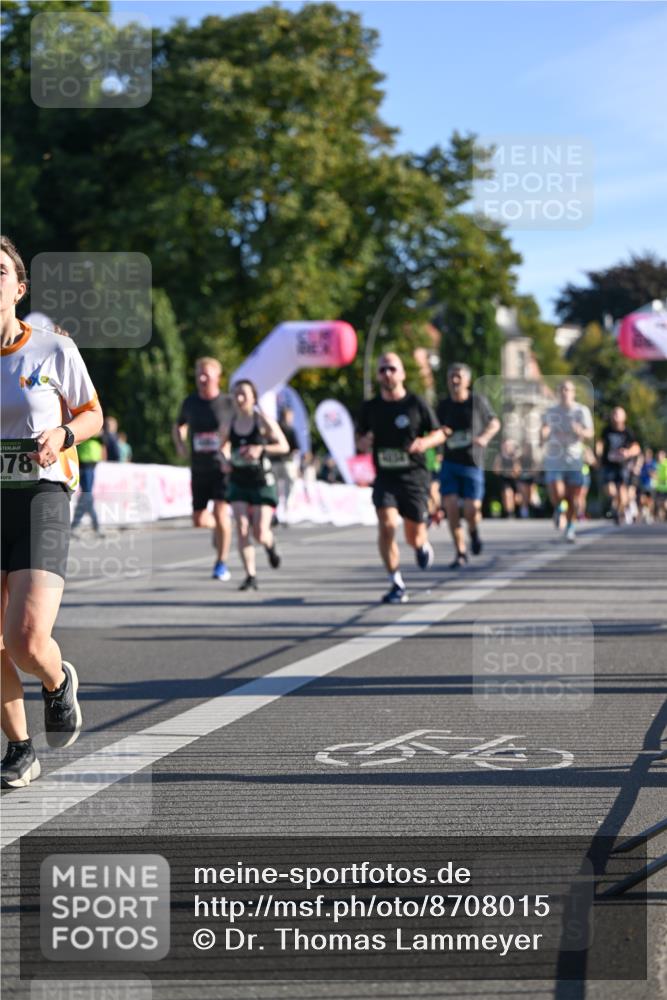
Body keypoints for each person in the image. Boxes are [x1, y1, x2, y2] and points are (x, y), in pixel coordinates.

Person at [1, 235, 104, 788]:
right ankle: (20, 750)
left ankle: (56, 678)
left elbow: (93, 415)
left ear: (18, 288)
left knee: (24, 639)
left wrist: (63, 432)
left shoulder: (52, 349)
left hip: (41, 497)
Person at [357, 352, 443, 604]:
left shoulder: (416, 404)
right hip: (385, 476)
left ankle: (421, 546)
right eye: (382, 369)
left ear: (403, 373)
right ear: (377, 375)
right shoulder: (370, 408)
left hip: (414, 477)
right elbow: (359, 437)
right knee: (386, 524)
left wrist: (424, 442)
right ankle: (396, 582)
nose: (387, 374)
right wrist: (363, 441)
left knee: (413, 536)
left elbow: (439, 433)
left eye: (392, 369)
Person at [219, 379, 289, 591]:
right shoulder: (229, 423)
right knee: (241, 527)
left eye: (244, 394)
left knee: (259, 532)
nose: (239, 399)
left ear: (253, 398)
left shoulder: (262, 421)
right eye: (236, 394)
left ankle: (270, 545)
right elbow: (221, 448)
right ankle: (251, 575)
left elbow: (284, 446)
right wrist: (225, 461)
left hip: (262, 481)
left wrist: (261, 449)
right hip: (239, 479)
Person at [173, 357, 233, 581]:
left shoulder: (228, 403)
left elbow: (239, 429)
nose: (201, 378)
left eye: (206, 374)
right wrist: (180, 443)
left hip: (222, 468)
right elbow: (178, 424)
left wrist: (230, 447)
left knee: (220, 512)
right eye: (199, 374)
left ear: (218, 376)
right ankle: (219, 529)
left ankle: (221, 563)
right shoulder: (190, 402)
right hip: (198, 468)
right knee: (199, 520)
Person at [437, 363, 500, 567]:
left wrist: (484, 437)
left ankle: (473, 532)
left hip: (472, 463)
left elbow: (495, 422)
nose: (455, 381)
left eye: (459, 377)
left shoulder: (477, 402)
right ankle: (460, 552)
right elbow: (434, 431)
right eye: (451, 377)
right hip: (450, 463)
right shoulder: (443, 406)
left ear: (467, 380)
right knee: (452, 507)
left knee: (472, 509)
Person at [540, 379, 594, 543]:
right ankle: (558, 508)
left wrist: (581, 431)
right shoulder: (551, 411)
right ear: (558, 393)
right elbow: (543, 431)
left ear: (573, 393)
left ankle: (570, 527)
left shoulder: (581, 410)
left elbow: (590, 432)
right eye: (562, 389)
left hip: (574, 458)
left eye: (568, 389)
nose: (564, 392)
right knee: (557, 490)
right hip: (555, 457)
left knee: (572, 497)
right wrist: (543, 433)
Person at [596, 407, 640, 525]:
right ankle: (615, 505)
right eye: (613, 413)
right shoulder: (607, 431)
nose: (615, 416)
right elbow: (600, 444)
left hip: (622, 466)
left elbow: (637, 448)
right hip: (609, 465)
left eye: (618, 414)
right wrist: (598, 456)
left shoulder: (628, 432)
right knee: (611, 490)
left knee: (623, 495)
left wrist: (628, 452)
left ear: (624, 417)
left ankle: (618, 511)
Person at [71, 433, 104, 535]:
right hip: (84, 464)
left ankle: (92, 526)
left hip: (90, 465)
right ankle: (92, 525)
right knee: (87, 496)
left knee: (87, 497)